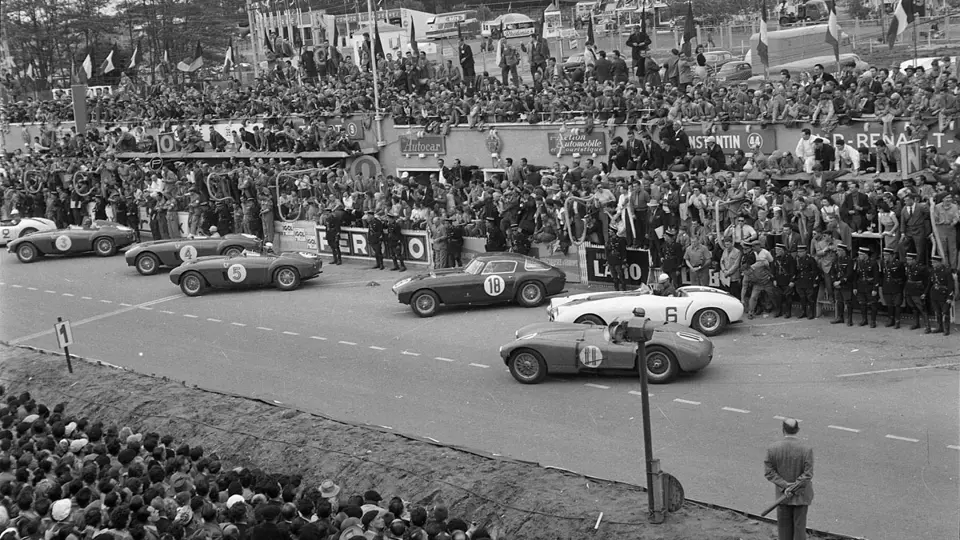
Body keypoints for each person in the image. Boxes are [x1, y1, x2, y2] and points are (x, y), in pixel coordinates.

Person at [764, 418, 814, 540]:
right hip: (801, 496)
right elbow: (808, 474)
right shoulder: (806, 449)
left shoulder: (773, 449)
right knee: (799, 529)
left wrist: (786, 486)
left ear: (783, 430)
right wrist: (794, 487)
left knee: (784, 529)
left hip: (782, 497)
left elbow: (769, 472)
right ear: (798, 430)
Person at [902, 251, 930, 333]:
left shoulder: (922, 268)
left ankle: (927, 326)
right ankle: (916, 323)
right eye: (907, 260)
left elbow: (927, 281)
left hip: (917, 291)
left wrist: (924, 292)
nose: (908, 261)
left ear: (914, 260)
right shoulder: (908, 267)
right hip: (909, 290)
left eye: (909, 260)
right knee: (913, 308)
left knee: (922, 308)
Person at [854, 246, 881, 327]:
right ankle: (864, 319)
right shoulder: (859, 263)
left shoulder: (873, 263)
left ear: (865, 255)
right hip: (861, 286)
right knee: (862, 303)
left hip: (870, 286)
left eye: (860, 254)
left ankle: (873, 321)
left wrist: (875, 288)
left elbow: (876, 277)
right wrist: (855, 287)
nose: (859, 256)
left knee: (873, 304)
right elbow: (856, 276)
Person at [830, 243, 856, 326]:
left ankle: (849, 319)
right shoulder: (836, 260)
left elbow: (849, 274)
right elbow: (832, 272)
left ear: (843, 251)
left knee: (848, 302)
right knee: (839, 301)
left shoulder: (849, 260)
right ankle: (840, 317)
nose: (837, 252)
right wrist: (834, 281)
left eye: (839, 250)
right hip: (837, 284)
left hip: (846, 284)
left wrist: (840, 282)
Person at [880, 247, 906, 328]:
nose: (885, 257)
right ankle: (891, 320)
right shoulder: (883, 263)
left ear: (892, 255)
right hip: (887, 286)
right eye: (884, 255)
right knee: (889, 304)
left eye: (887, 255)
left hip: (896, 287)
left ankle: (897, 321)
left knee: (897, 304)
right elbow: (882, 275)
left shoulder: (899, 264)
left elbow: (903, 276)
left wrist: (900, 284)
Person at [928, 254, 954, 335]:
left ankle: (946, 329)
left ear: (939, 262)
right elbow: (931, 283)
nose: (932, 264)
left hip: (944, 295)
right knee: (937, 312)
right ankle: (940, 327)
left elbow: (950, 285)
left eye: (934, 262)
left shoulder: (946, 271)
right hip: (935, 294)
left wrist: (950, 297)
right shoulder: (933, 271)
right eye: (932, 262)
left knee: (945, 312)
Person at [793, 244, 819, 320]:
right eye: (798, 252)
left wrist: (815, 282)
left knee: (810, 297)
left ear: (805, 252)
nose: (799, 253)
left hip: (809, 281)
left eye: (801, 252)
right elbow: (796, 271)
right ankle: (803, 311)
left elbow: (815, 272)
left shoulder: (811, 259)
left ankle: (811, 312)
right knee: (802, 297)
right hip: (800, 281)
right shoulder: (797, 259)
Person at [772, 243, 796, 318]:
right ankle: (778, 311)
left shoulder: (789, 258)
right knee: (778, 297)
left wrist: (792, 280)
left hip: (787, 280)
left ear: (782, 250)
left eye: (778, 250)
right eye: (776, 250)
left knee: (788, 297)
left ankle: (788, 312)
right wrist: (774, 279)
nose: (776, 252)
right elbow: (773, 270)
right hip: (778, 280)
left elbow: (793, 270)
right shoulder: (775, 258)